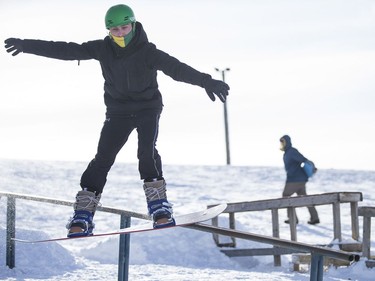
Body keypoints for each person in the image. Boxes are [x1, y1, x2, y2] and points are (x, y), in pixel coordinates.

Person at [4, 4, 230, 237]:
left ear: (133, 24)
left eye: (124, 27)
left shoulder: (148, 52)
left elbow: (177, 68)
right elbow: (67, 50)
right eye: (115, 30)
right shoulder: (103, 49)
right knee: (103, 157)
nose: (120, 33)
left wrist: (207, 81)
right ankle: (83, 213)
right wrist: (26, 45)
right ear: (108, 31)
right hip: (118, 112)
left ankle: (159, 206)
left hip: (147, 109)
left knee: (146, 152)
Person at [279, 135, 320, 225]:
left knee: (286, 196)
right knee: (304, 198)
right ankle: (314, 217)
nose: (281, 144)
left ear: (287, 142)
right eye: (281, 142)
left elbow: (303, 159)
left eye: (283, 142)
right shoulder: (287, 152)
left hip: (294, 179)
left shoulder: (291, 151)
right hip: (299, 179)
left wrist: (312, 167)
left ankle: (293, 219)